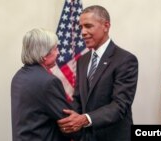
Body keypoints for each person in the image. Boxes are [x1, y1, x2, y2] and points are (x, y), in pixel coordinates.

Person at [57, 5, 138, 141]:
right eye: (81, 27)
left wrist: (85, 119)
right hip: (87, 137)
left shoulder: (125, 60)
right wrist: (68, 118)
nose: (83, 32)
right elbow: (78, 98)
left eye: (88, 26)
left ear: (106, 26)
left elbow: (120, 105)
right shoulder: (82, 60)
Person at [11, 28, 72, 141]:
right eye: (55, 49)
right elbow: (68, 123)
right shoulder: (48, 82)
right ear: (44, 54)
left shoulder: (18, 76)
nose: (58, 52)